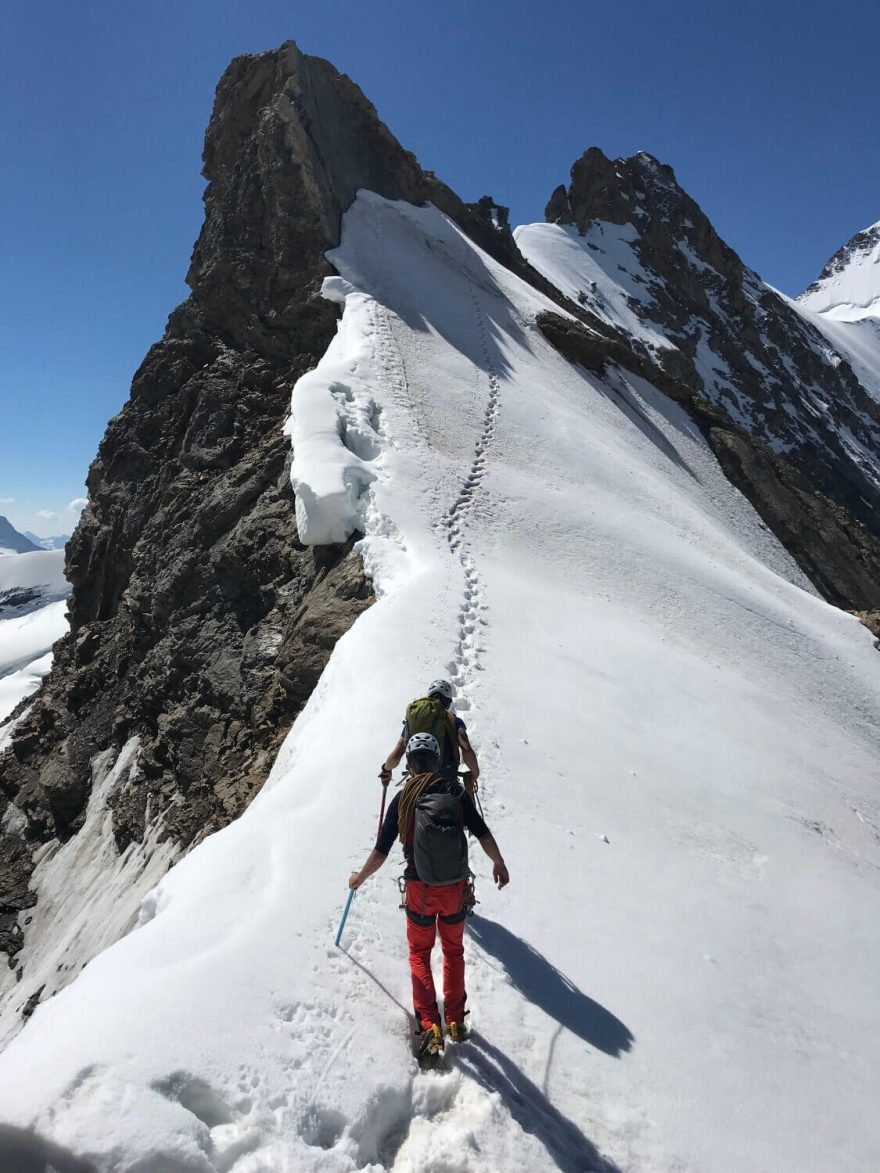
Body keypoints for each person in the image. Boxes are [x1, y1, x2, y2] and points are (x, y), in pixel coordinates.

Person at [349, 732, 510, 1065]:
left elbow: (381, 851)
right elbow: (482, 832)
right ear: (436, 761)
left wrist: (359, 879)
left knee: (420, 953)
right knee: (453, 950)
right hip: (454, 890)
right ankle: (455, 1019)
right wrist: (498, 862)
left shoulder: (403, 798)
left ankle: (429, 1025)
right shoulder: (454, 791)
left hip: (420, 891)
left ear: (409, 763)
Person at [379, 678, 480, 794]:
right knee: (466, 805)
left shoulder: (413, 721)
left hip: (418, 783)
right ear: (448, 702)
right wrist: (475, 773)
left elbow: (397, 753)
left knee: (401, 804)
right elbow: (466, 747)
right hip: (447, 783)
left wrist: (386, 769)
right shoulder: (454, 721)